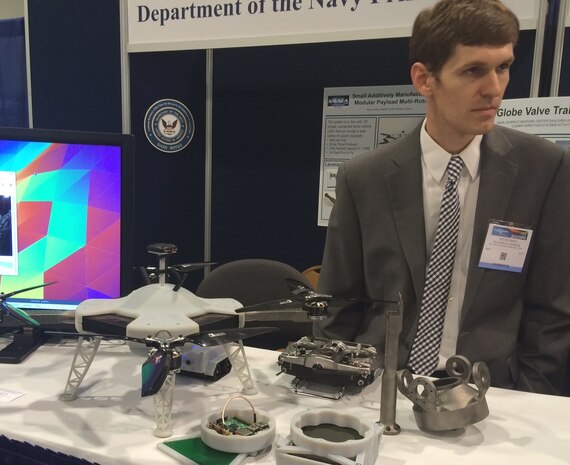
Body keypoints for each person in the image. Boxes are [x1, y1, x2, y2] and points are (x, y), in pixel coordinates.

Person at [314, 0, 570, 395]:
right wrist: (339, 389)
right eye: (473, 70)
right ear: (424, 79)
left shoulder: (545, 169)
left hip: (493, 396)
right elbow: (338, 306)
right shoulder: (364, 177)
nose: (495, 88)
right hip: (380, 392)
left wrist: (527, 398)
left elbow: (551, 310)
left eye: (503, 67)